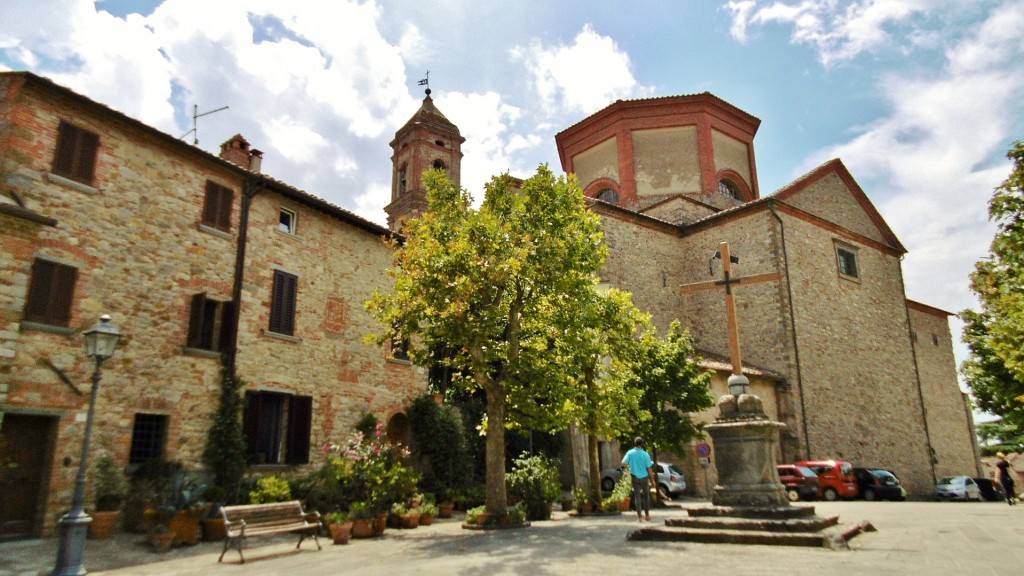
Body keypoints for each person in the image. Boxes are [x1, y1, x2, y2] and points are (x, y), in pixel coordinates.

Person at [621, 436, 655, 522]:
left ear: (635, 443)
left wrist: (628, 470)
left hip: (635, 477)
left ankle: (639, 517)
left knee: (637, 497)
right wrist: (652, 480)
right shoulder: (645, 454)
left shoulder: (630, 453)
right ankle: (647, 515)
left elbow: (623, 463)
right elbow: (649, 468)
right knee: (647, 496)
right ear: (642, 444)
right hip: (644, 477)